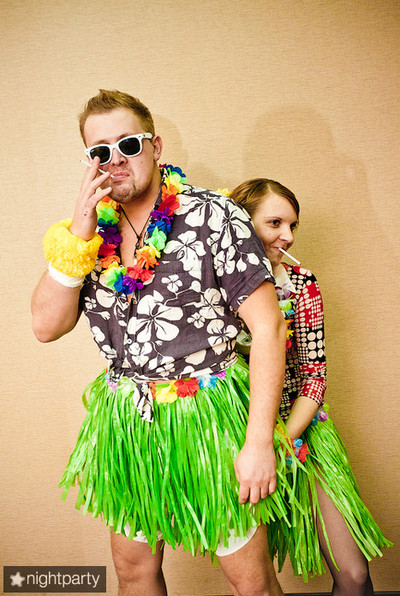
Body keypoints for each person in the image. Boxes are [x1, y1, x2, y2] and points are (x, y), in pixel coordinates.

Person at [31, 90, 306, 596]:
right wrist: (80, 235)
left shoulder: (214, 215)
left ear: (155, 146)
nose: (115, 159)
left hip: (208, 417)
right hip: (128, 425)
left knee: (252, 583)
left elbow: (268, 328)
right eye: (100, 151)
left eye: (128, 144)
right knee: (133, 572)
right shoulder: (87, 237)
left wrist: (258, 442)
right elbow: (45, 326)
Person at [229, 178, 392, 596]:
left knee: (354, 575)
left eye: (293, 225)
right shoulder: (212, 287)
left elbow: (315, 377)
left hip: (299, 432)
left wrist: (280, 441)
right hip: (229, 438)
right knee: (253, 581)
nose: (288, 235)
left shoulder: (301, 284)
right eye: (275, 223)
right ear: (239, 223)